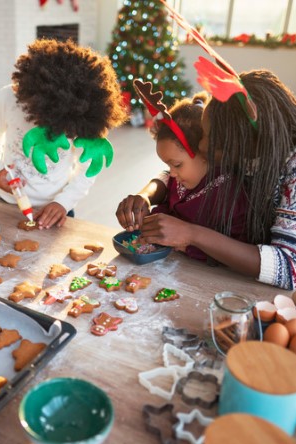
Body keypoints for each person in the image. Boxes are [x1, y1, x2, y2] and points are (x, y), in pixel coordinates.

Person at [119, 70, 296, 289]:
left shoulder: (285, 169)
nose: (200, 146)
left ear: (238, 142)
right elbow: (173, 177)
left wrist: (191, 234)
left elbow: (289, 268)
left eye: (206, 137)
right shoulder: (250, 149)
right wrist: (146, 194)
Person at [0, 38, 127, 229]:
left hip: (57, 208)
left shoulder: (79, 114)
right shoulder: (8, 99)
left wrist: (64, 202)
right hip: (9, 200)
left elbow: (87, 169)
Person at [116, 91, 248, 261]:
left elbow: (235, 250)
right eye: (168, 165)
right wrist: (151, 222)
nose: (171, 173)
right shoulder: (179, 180)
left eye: (177, 165)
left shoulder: (231, 196)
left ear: (204, 151)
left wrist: (185, 244)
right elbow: (170, 208)